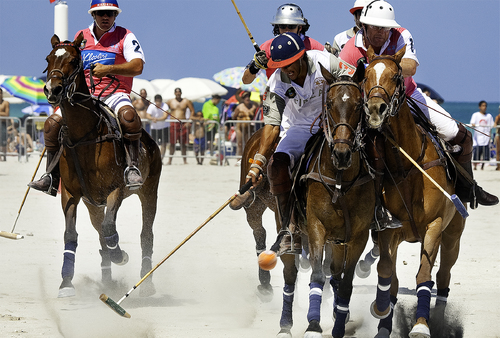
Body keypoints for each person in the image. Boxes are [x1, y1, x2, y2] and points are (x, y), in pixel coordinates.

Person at [339, 0, 497, 210]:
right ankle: (373, 206)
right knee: (354, 145)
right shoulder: (349, 50)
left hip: (409, 96)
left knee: (461, 135)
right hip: (372, 105)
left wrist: (380, 65)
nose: (381, 32)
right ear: (363, 26)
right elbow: (345, 87)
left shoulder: (401, 34)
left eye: (385, 28)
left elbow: (411, 66)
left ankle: (468, 188)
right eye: (375, 27)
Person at [246, 33, 355, 254]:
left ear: (301, 56)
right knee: (276, 166)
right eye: (281, 66)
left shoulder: (325, 60)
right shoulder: (277, 80)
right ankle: (289, 230)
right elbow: (272, 125)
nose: (286, 70)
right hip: (299, 129)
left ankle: (378, 212)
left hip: (334, 125)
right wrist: (258, 163)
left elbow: (352, 82)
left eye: (289, 64)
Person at [29, 0, 146, 195]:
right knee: (50, 126)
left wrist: (109, 69)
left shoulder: (125, 36)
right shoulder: (80, 37)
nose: (105, 17)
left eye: (110, 13)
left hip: (114, 93)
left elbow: (137, 66)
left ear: (116, 15)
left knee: (129, 117)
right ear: (93, 15)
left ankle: (132, 168)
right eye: (101, 14)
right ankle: (51, 176)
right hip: (84, 96)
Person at [241, 3, 325, 85]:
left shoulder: (314, 46)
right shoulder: (267, 48)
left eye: (291, 26)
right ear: (277, 27)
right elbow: (246, 80)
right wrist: (255, 66)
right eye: (283, 26)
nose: (287, 30)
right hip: (278, 95)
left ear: (300, 27)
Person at [165, 88, 194, 165]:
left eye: (179, 92)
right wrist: (165, 117)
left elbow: (192, 111)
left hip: (183, 123)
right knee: (172, 143)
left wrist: (189, 121)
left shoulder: (186, 101)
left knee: (183, 143)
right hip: (173, 123)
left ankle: (185, 160)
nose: (178, 94)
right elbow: (164, 108)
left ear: (181, 93)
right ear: (174, 93)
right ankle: (170, 160)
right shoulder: (170, 101)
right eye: (176, 92)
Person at [232, 91, 257, 156]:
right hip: (239, 128)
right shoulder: (239, 107)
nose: (247, 98)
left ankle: (246, 159)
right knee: (239, 144)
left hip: (248, 128)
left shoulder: (253, 107)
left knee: (248, 144)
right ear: (243, 99)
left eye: (248, 96)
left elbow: (256, 117)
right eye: (245, 97)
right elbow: (234, 117)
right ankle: (239, 159)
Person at [470, 101, 494, 170]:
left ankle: (482, 166)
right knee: (477, 153)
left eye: (485, 106)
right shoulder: (476, 115)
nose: (484, 107)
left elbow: (492, 125)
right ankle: (475, 166)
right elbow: (472, 123)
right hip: (478, 138)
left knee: (485, 154)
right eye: (483, 106)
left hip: (486, 138)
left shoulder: (489, 116)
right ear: (479, 107)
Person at [146, 94, 169, 161]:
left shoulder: (165, 105)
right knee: (154, 144)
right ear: (155, 101)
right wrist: (152, 118)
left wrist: (156, 119)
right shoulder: (151, 106)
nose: (158, 103)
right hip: (154, 128)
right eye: (157, 101)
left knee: (163, 144)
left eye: (159, 101)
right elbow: (147, 115)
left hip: (164, 127)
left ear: (161, 101)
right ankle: (154, 158)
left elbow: (165, 116)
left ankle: (161, 159)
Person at [0, 88, 10, 161]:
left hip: (3, 123)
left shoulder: (5, 103)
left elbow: (6, 114)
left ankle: (4, 156)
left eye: (0, 93)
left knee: (3, 141)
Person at [494, 105, 500, 170]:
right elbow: (495, 124)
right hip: (498, 134)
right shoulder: (498, 117)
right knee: (498, 151)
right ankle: (498, 165)